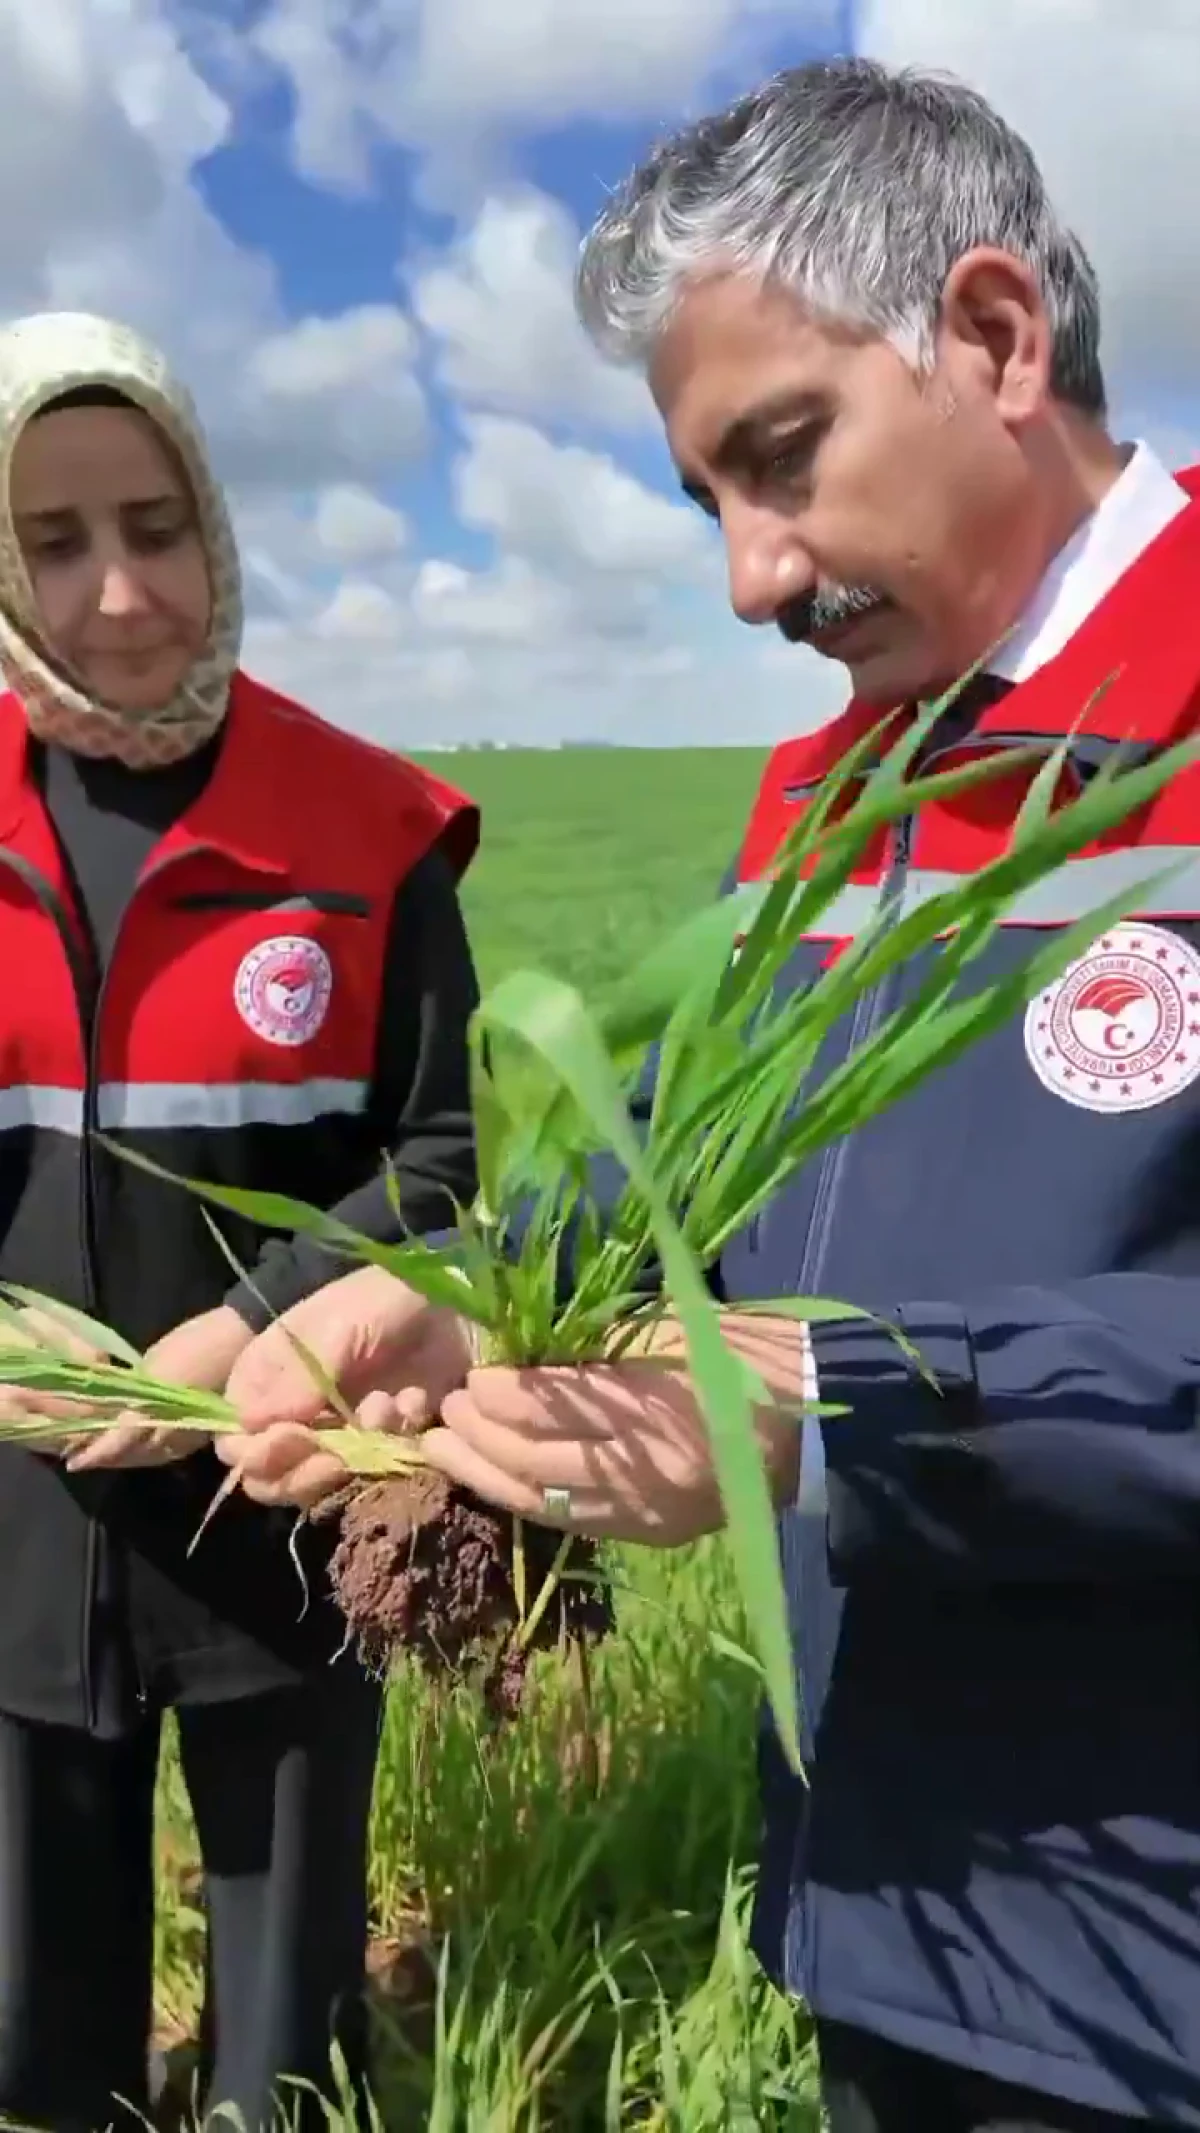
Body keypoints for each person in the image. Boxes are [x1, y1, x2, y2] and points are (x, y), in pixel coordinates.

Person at [207, 57, 1200, 2133]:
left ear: (1000, 339)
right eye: (709, 501)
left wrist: (839, 1411)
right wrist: (470, 1292)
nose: (754, 579)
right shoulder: (826, 794)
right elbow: (696, 1185)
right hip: (888, 1912)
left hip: (1153, 1972)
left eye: (785, 457)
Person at [0, 310, 480, 2132]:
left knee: (286, 2046)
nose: (120, 592)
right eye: (53, 540)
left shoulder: (367, 831)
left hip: (279, 1514)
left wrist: (253, 1325)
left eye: (155, 525)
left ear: (216, 516)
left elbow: (437, 1161)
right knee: (41, 2042)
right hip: (17, 1542)